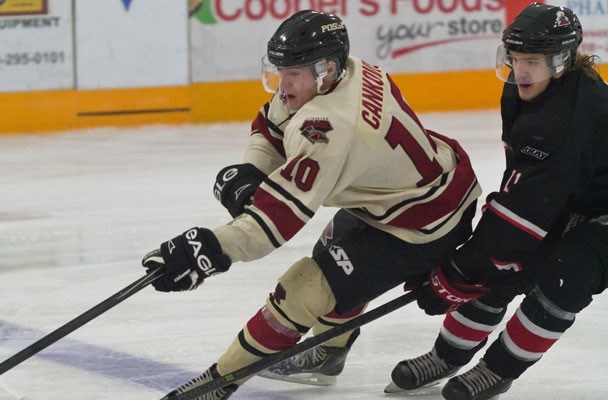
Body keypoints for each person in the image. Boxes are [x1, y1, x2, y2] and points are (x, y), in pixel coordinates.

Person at [141, 9, 482, 400]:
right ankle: (329, 353)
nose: (283, 86)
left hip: (422, 226)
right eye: (280, 72)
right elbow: (272, 124)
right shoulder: (351, 70)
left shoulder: (328, 126)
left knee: (303, 289)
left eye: (293, 74)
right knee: (333, 258)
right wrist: (253, 174)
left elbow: (274, 223)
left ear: (326, 68)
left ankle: (218, 383)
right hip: (418, 192)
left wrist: (209, 250)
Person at [383, 3, 608, 400]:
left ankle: (497, 370)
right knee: (501, 265)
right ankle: (446, 356)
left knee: (565, 275)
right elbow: (522, 188)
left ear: (560, 60)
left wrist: (459, 268)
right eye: (515, 59)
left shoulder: (571, 113)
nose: (520, 72)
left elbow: (525, 215)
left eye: (532, 61)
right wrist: (483, 259)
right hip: (570, 198)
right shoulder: (520, 92)